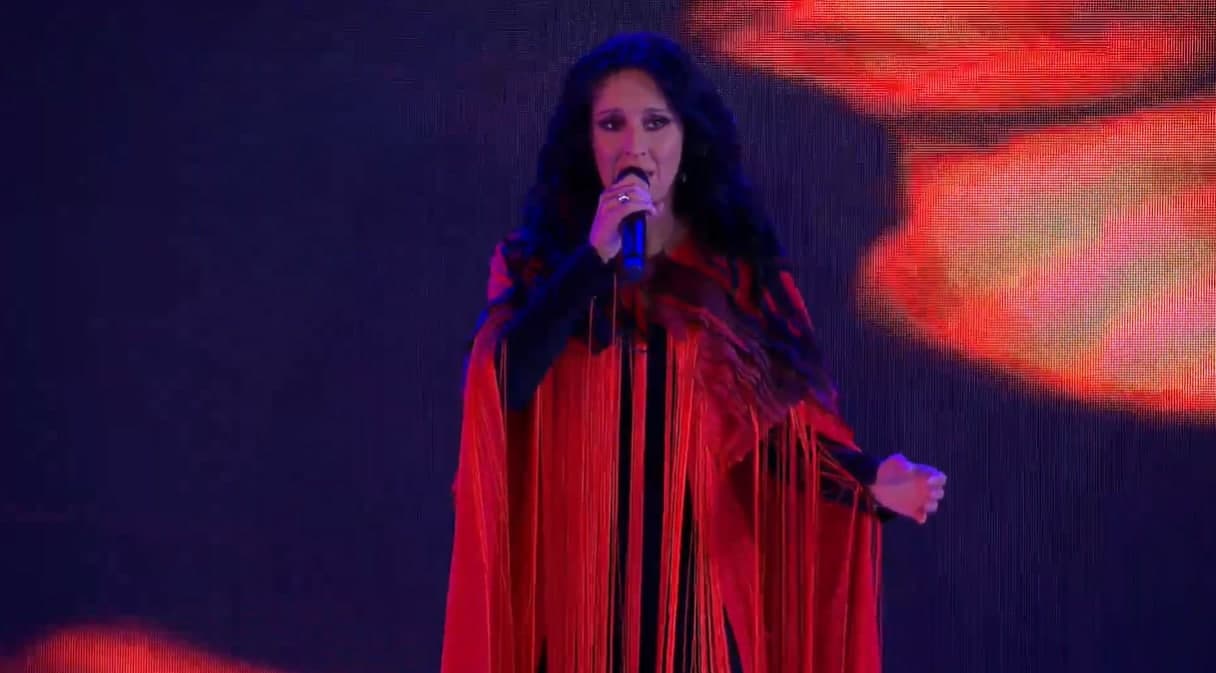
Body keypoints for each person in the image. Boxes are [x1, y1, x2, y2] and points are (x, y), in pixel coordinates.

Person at [441, 32, 946, 673]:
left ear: (686, 138)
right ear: (586, 141)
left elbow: (773, 433)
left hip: (684, 607)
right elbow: (502, 386)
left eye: (655, 122)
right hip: (569, 607)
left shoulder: (733, 277)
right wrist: (593, 259)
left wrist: (868, 480)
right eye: (612, 124)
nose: (634, 145)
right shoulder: (536, 267)